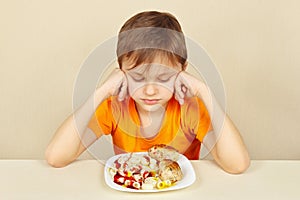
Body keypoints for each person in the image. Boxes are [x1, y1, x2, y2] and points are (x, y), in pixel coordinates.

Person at [45, 11, 250, 174]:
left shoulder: (190, 109)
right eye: (138, 78)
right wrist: (102, 91)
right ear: (121, 71)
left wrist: (203, 90)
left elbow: (237, 164)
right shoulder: (114, 107)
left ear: (182, 70)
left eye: (163, 78)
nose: (150, 90)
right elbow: (56, 157)